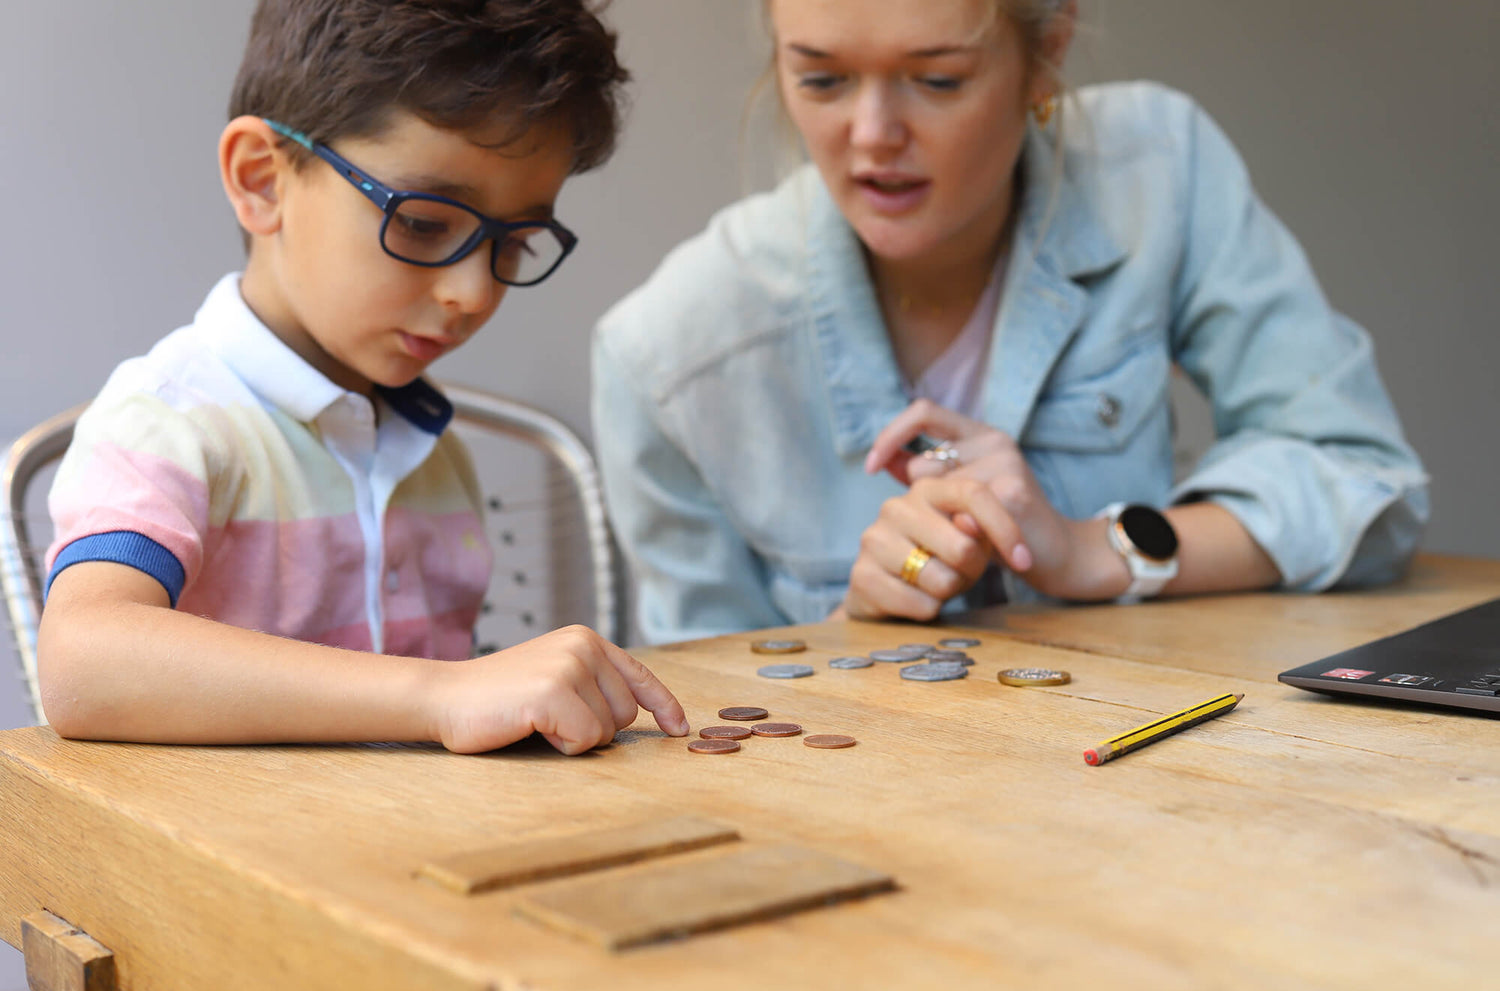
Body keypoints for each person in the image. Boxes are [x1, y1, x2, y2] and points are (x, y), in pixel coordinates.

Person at [591, 0, 1429, 644]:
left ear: (1047, 54)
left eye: (939, 79)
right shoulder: (667, 359)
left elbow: (1365, 483)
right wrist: (855, 628)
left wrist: (1091, 551)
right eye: (821, 79)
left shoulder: (1158, 170)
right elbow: (705, 732)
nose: (874, 135)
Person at [38, 0, 688, 755]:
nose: (474, 294)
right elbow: (83, 662)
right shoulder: (169, 422)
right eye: (422, 221)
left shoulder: (432, 453)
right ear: (263, 181)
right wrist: (445, 692)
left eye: (515, 242)